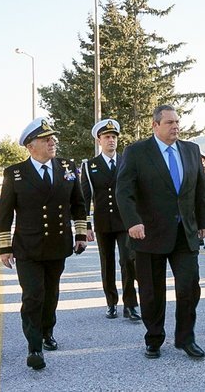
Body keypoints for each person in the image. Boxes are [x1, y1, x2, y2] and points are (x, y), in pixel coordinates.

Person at [116, 105, 205, 359]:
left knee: (189, 287)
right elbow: (123, 192)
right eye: (169, 122)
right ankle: (154, 337)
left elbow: (200, 189)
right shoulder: (137, 152)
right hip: (149, 233)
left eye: (177, 122)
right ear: (155, 125)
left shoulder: (191, 150)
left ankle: (186, 338)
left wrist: (204, 222)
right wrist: (132, 222)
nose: (176, 127)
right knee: (151, 291)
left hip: (185, 232)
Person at [0, 118, 88, 370]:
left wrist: (80, 233)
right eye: (46, 140)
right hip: (28, 246)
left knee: (51, 295)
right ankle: (34, 346)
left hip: (58, 244)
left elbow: (78, 203)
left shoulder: (67, 167)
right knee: (33, 296)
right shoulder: (15, 173)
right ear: (30, 146)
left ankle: (47, 331)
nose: (52, 142)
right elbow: (5, 213)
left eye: (53, 139)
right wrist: (4, 247)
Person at [81, 119, 140, 321]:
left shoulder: (127, 161)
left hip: (125, 222)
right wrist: (86, 226)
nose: (111, 141)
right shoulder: (90, 166)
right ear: (99, 140)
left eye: (114, 137)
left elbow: (135, 193)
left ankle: (131, 305)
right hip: (103, 222)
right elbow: (85, 198)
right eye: (107, 137)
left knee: (128, 261)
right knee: (107, 263)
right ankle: (111, 302)